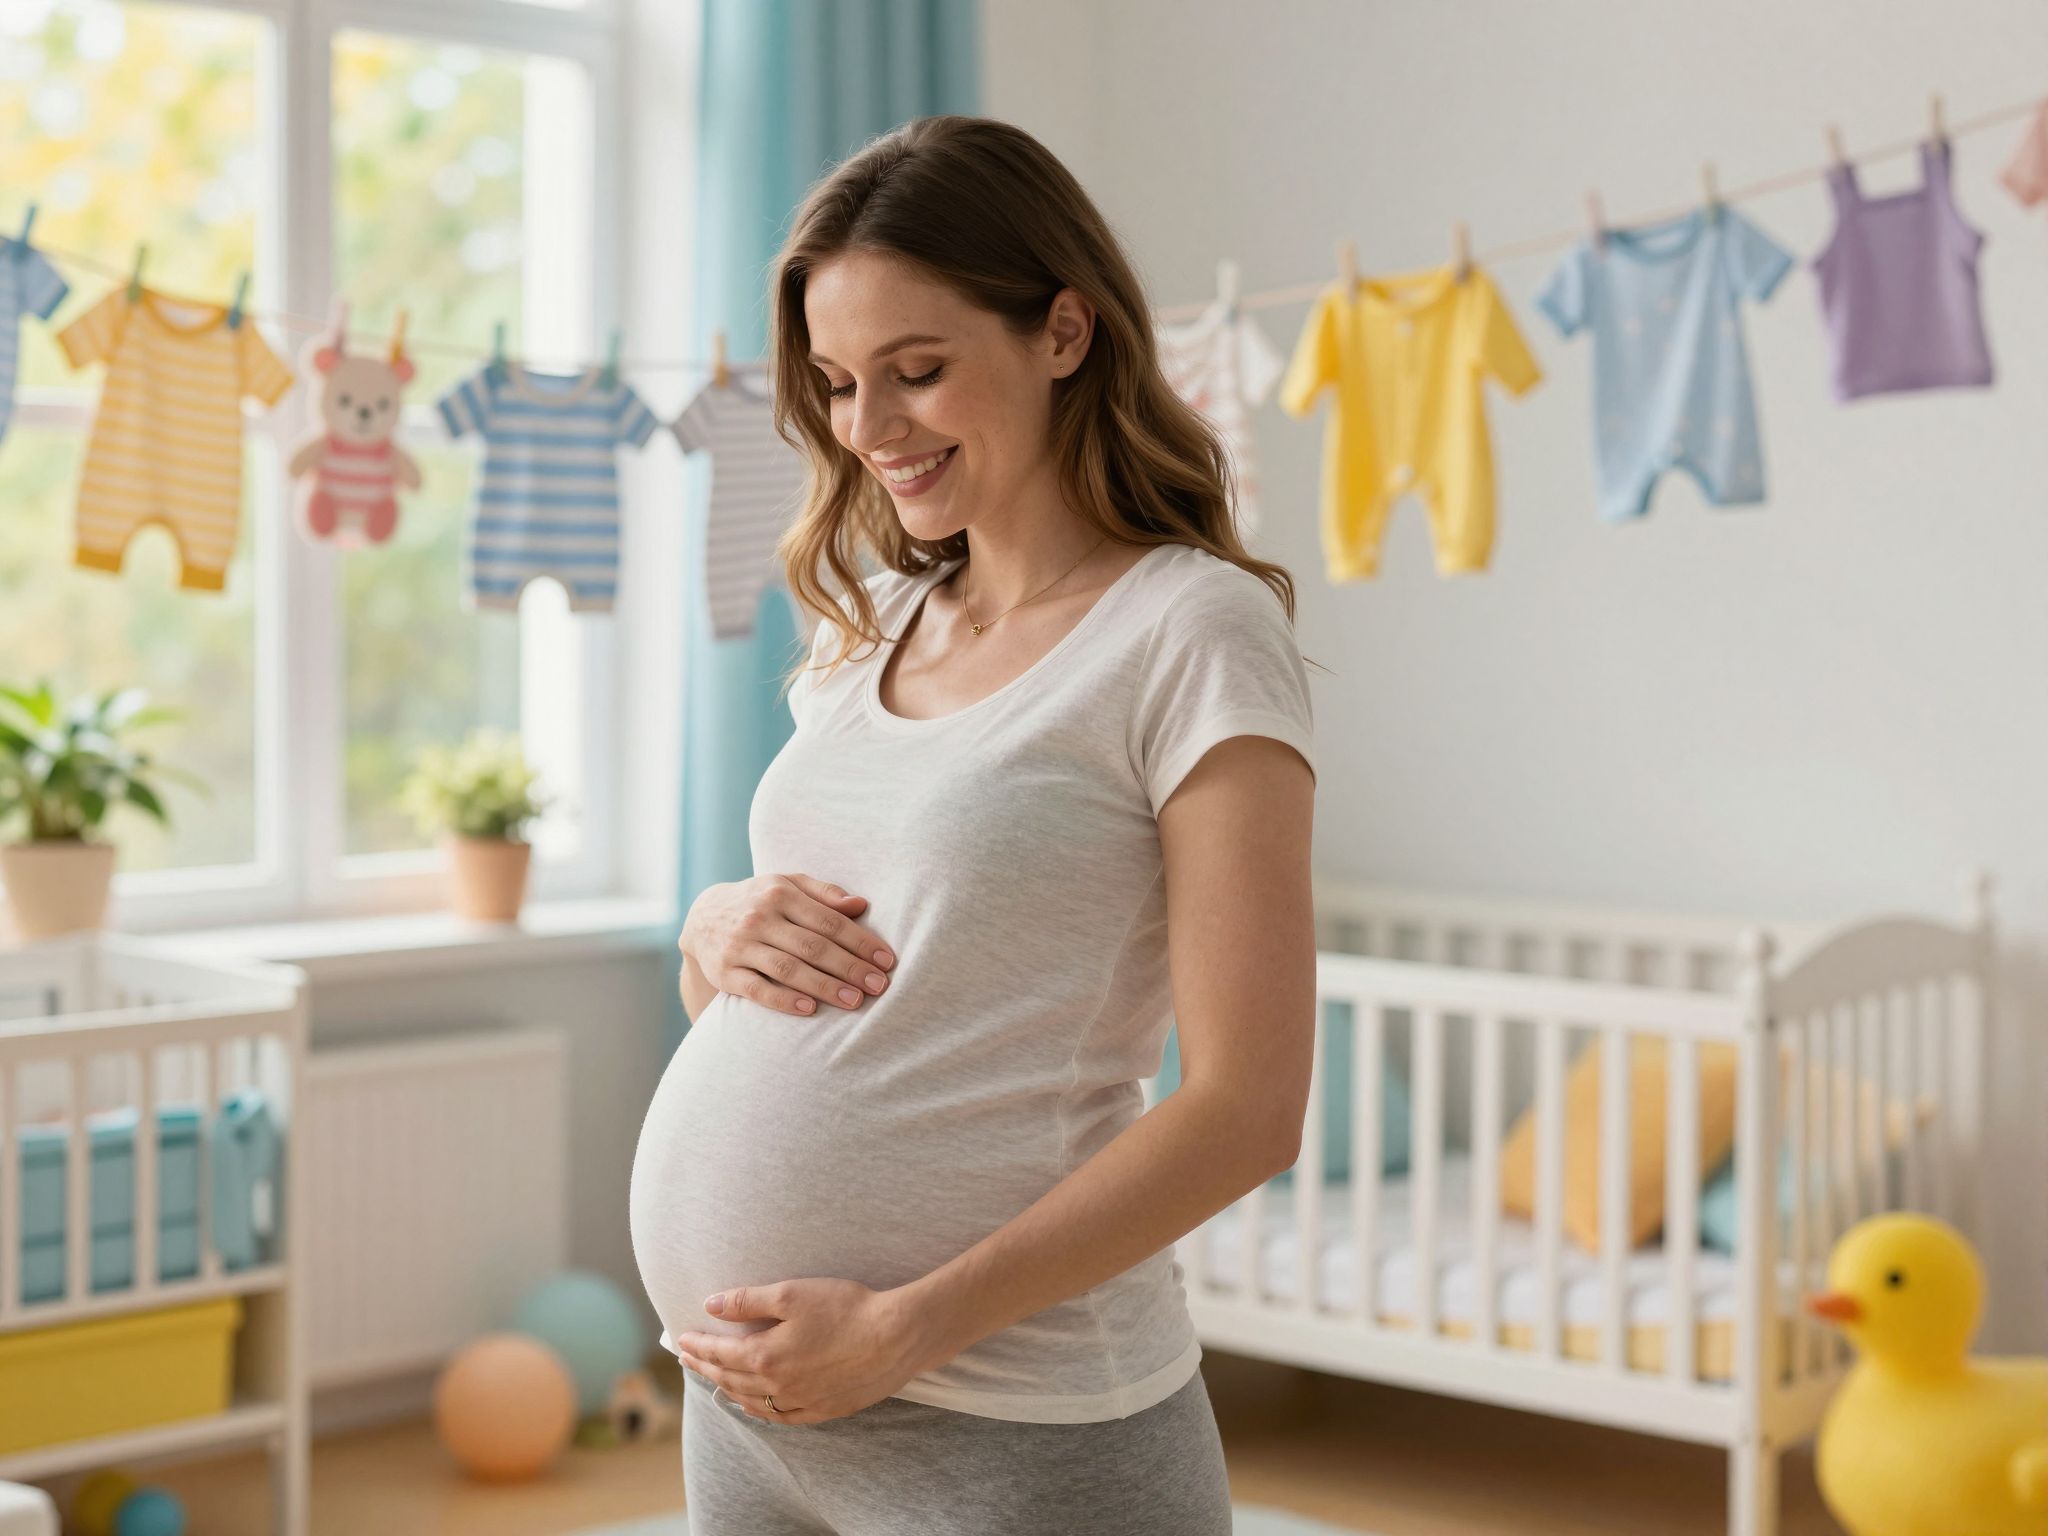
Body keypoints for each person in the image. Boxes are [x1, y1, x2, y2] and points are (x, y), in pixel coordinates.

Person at [628, 113, 1323, 1535]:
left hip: (1017, 1429)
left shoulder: (1192, 630)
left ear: (1063, 331)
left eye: (918, 371)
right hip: (752, 1412)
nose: (868, 430)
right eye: (834, 384)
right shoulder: (865, 625)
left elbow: (1248, 1110)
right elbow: (800, 988)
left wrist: (903, 1328)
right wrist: (713, 930)